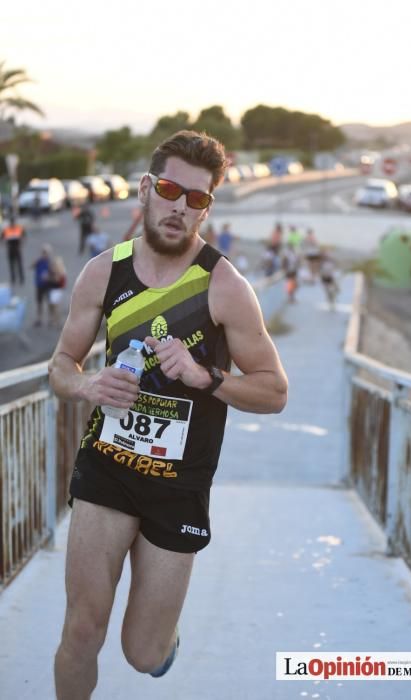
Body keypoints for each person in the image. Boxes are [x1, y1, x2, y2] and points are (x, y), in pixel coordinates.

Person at [48, 130, 288, 699]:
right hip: (106, 467)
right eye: (171, 189)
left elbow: (274, 391)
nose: (181, 205)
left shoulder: (225, 287)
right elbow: (60, 364)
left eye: (197, 198)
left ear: (208, 206)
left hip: (179, 484)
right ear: (146, 189)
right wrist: (86, 385)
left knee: (142, 653)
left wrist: (207, 377)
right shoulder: (104, 273)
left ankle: (161, 641)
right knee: (82, 629)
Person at [31, 244, 53, 326]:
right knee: (39, 302)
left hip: (47, 285)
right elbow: (31, 266)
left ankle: (50, 319)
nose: (44, 254)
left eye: (46, 252)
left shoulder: (50, 262)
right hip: (39, 285)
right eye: (43, 252)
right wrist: (36, 260)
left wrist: (49, 276)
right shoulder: (39, 261)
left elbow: (54, 273)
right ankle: (39, 319)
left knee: (49, 302)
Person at [1, 216, 26, 285]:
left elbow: (24, 236)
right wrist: (4, 245)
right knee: (12, 265)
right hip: (11, 249)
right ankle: (13, 279)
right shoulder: (6, 230)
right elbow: (2, 238)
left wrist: (22, 244)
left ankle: (21, 278)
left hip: (17, 248)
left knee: (19, 264)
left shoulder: (19, 228)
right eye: (11, 223)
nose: (12, 224)